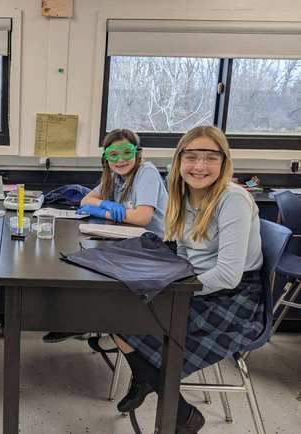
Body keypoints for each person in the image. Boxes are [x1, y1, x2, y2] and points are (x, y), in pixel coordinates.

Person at [111, 125, 264, 433]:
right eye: (191, 157)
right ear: (179, 161)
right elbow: (183, 255)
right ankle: (154, 385)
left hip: (233, 298)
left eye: (210, 157)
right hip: (195, 284)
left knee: (135, 319)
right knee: (112, 310)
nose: (199, 166)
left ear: (224, 162)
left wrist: (167, 290)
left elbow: (227, 275)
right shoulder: (181, 196)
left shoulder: (232, 199)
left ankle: (165, 399)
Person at [42, 128, 168, 343]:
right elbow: (85, 201)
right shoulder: (115, 177)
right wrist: (105, 205)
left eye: (126, 152)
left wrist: (106, 212)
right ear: (106, 158)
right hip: (130, 239)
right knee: (79, 256)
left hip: (157, 247)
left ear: (137, 153)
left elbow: (142, 217)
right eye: (113, 155)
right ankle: (79, 320)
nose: (120, 160)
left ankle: (89, 321)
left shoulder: (146, 171)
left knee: (96, 263)